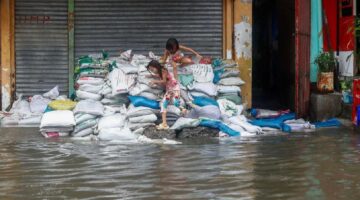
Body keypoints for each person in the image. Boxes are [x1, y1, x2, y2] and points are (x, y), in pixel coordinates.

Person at [146, 60, 181, 130]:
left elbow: (164, 81)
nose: (152, 71)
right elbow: (160, 76)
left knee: (167, 104)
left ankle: (165, 124)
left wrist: (154, 81)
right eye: (150, 70)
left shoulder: (163, 70)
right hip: (171, 89)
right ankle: (165, 123)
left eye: (152, 69)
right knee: (168, 104)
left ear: (156, 66)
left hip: (173, 89)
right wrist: (151, 75)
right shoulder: (161, 71)